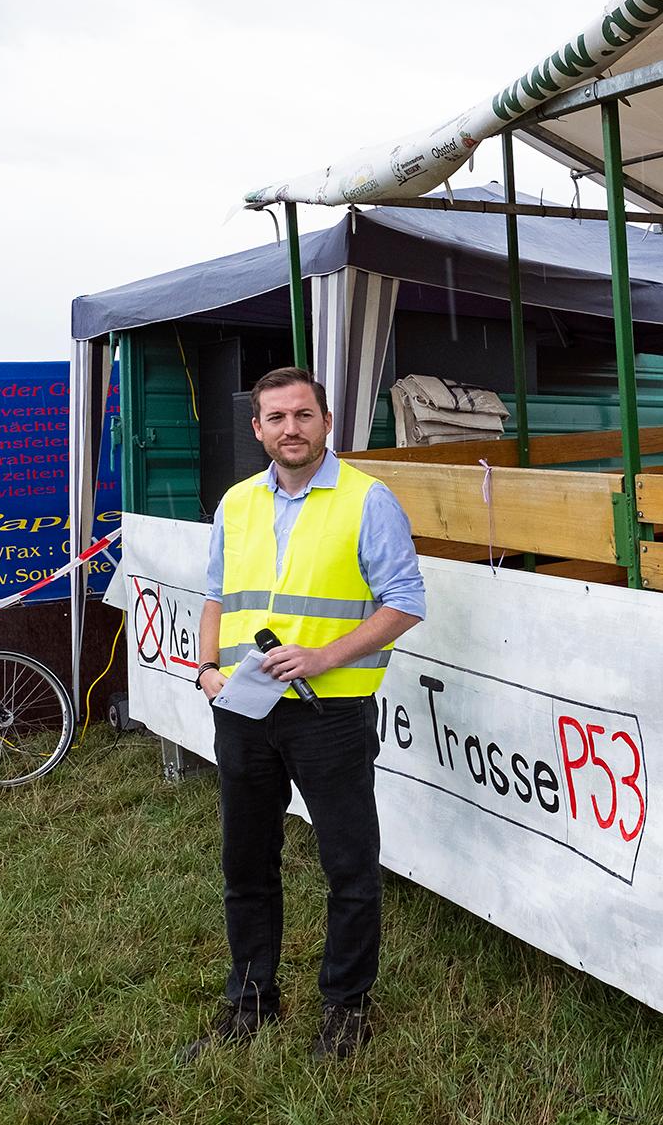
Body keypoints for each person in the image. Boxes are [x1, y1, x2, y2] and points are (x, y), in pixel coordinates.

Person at [184, 368, 424, 1062]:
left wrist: (324, 656)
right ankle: (252, 999)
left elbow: (405, 601)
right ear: (256, 428)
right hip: (243, 711)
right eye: (276, 417)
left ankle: (345, 1006)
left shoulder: (368, 500)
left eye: (303, 414)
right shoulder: (235, 503)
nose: (291, 427)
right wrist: (205, 669)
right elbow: (213, 595)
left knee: (349, 865)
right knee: (245, 862)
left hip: (331, 712)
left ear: (325, 422)